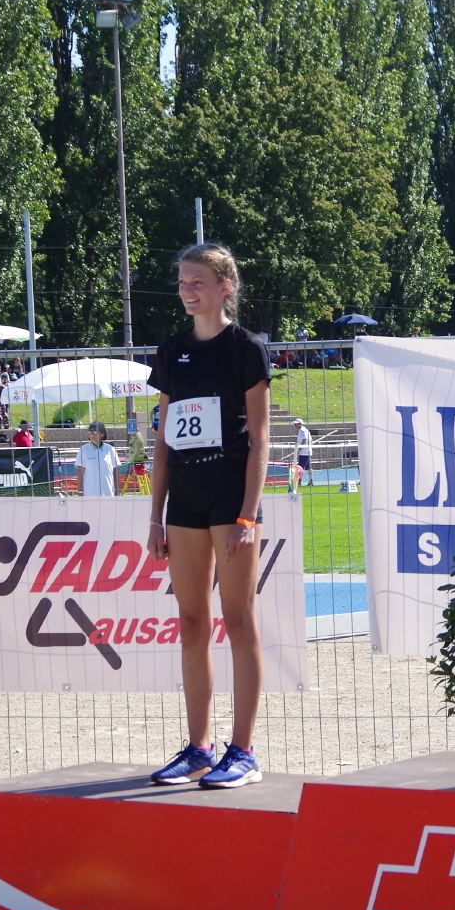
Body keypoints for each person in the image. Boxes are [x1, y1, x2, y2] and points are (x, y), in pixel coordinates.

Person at [145, 242, 273, 789]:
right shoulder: (172, 351)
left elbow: (262, 438)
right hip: (185, 500)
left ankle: (243, 751)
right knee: (192, 622)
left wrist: (247, 515)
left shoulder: (247, 348)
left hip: (230, 498)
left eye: (197, 282)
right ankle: (199, 748)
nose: (186, 291)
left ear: (225, 287)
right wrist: (155, 516)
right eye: (181, 282)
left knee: (239, 621)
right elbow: (162, 442)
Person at [75, 420, 122, 497]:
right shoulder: (83, 450)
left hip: (108, 493)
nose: (92, 434)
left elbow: (115, 471)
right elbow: (80, 472)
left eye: (95, 432)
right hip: (90, 495)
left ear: (102, 434)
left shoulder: (111, 449)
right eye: (90, 432)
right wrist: (80, 491)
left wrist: (117, 491)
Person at [291, 420, 313, 490]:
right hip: (306, 452)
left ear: (300, 424)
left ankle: (299, 481)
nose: (295, 425)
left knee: (300, 467)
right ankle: (310, 481)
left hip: (304, 452)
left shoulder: (303, 431)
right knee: (309, 467)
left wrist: (300, 449)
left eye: (296, 424)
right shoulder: (303, 431)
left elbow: (304, 440)